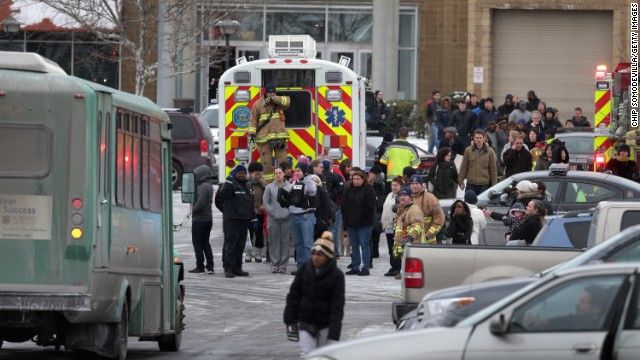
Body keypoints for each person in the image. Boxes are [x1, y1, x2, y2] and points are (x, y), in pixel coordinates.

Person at [284, 231, 345, 358]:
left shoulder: (337, 275)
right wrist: (290, 318)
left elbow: (337, 305)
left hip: (325, 325)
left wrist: (334, 331)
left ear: (328, 257)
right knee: (307, 354)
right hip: (306, 322)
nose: (316, 257)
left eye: (320, 255)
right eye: (314, 254)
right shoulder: (305, 270)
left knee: (323, 356)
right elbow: (294, 295)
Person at [248, 83, 291, 182]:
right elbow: (253, 121)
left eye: (273, 92)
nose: (272, 94)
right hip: (264, 139)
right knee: (266, 164)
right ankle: (268, 185)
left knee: (283, 163)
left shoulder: (279, 102)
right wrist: (251, 134)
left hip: (280, 138)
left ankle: (283, 183)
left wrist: (274, 99)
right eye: (269, 92)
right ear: (265, 93)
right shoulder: (258, 104)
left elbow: (287, 102)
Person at [219, 164, 256, 278]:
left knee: (240, 246)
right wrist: (227, 211)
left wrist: (253, 218)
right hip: (232, 220)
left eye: (244, 173)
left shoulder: (246, 186)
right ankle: (228, 268)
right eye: (240, 173)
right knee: (231, 245)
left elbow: (250, 203)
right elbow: (222, 197)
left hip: (243, 220)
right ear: (235, 173)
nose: (242, 175)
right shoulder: (230, 185)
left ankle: (237, 267)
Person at [524, 285, 610, 331]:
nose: (577, 304)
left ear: (596, 308)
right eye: (579, 300)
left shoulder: (596, 326)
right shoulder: (583, 318)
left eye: (582, 302)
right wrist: (544, 322)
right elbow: (566, 320)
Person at [342, 169, 377, 276]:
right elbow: (344, 206)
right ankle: (355, 266)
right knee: (354, 246)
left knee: (364, 245)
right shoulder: (349, 190)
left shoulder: (368, 190)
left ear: (363, 179)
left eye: (358, 179)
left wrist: (361, 217)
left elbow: (370, 206)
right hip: (351, 223)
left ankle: (366, 267)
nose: (355, 181)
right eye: (354, 179)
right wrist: (346, 221)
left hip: (364, 224)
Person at [289, 163, 317, 275]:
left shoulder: (310, 181)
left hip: (306, 216)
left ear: (305, 171)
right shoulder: (295, 183)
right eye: (296, 170)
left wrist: (306, 176)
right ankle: (301, 266)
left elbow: (312, 189)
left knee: (308, 243)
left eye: (299, 170)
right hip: (295, 216)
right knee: (298, 243)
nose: (297, 172)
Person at [263, 167, 292, 273]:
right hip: (273, 219)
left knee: (285, 242)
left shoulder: (290, 187)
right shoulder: (269, 187)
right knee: (273, 242)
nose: (278, 175)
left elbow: (292, 201)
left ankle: (283, 265)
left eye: (280, 173)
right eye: (276, 173)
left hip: (286, 219)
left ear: (284, 174)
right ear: (274, 175)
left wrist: (288, 212)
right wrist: (272, 212)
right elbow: (265, 202)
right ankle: (275, 263)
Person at [188, 165, 215, 275]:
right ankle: (210, 266)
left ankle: (200, 266)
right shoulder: (209, 185)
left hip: (200, 219)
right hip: (208, 218)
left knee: (197, 243)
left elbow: (200, 202)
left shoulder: (203, 187)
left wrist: (192, 211)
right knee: (205, 243)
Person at [392, 186, 424, 277]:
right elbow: (400, 230)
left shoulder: (414, 210)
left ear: (411, 198)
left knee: (413, 277)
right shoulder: (402, 210)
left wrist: (410, 237)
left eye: (405, 195)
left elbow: (418, 225)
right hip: (405, 249)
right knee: (406, 278)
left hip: (414, 248)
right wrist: (396, 248)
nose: (402, 197)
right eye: (401, 195)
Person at [458, 129, 498, 196]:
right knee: (469, 204)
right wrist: (460, 181)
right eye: (476, 138)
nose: (478, 140)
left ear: (483, 138)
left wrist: (495, 186)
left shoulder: (490, 151)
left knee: (482, 204)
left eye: (480, 138)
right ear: (474, 139)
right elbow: (464, 167)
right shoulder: (468, 150)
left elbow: (493, 170)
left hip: (484, 184)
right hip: (471, 183)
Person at [409, 175, 445, 244]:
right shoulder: (408, 198)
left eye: (417, 183)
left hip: (428, 242)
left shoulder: (431, 199)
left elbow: (439, 219)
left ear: (421, 185)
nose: (414, 186)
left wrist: (429, 234)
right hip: (412, 242)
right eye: (412, 184)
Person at [381, 176, 404, 277]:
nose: (394, 187)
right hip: (387, 225)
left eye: (396, 185)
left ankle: (397, 267)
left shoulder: (400, 197)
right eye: (393, 185)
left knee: (396, 248)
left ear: (401, 186)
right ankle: (393, 266)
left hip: (395, 226)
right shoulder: (390, 195)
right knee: (390, 248)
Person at [246, 162, 267, 263]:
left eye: (260, 174)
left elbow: (268, 196)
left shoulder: (263, 184)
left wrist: (264, 205)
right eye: (256, 174)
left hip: (260, 213)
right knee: (248, 235)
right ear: (250, 173)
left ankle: (258, 254)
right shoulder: (246, 184)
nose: (258, 176)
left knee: (259, 234)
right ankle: (248, 254)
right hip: (249, 214)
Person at [367, 165, 386, 260]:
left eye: (371, 173)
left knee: (375, 230)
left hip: (377, 209)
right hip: (375, 209)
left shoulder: (378, 184)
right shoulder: (371, 183)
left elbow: (379, 187)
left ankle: (374, 251)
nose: (369, 175)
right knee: (374, 231)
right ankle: (373, 251)